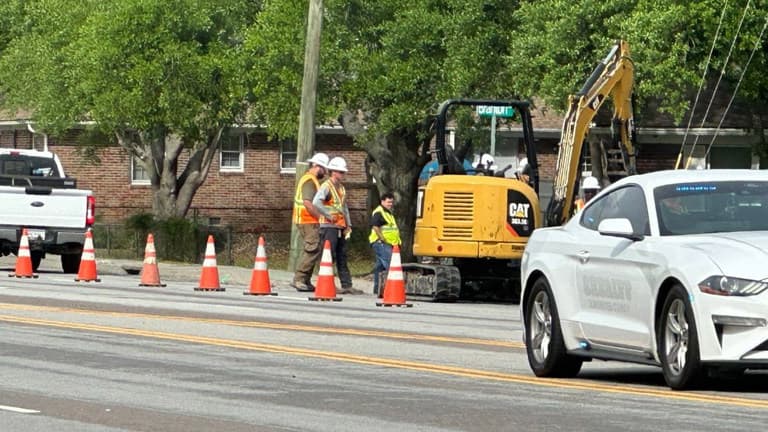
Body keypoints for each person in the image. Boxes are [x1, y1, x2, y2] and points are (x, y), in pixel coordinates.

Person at [313, 156, 362, 294]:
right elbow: (316, 202)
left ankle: (347, 285)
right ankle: (327, 283)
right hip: (328, 227)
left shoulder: (341, 188)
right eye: (340, 172)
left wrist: (348, 224)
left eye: (343, 172)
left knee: (342, 255)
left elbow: (343, 207)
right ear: (333, 171)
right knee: (329, 255)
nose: (342, 174)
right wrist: (329, 215)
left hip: (340, 226)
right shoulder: (326, 186)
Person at [291, 152, 329, 292]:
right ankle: (299, 279)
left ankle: (305, 280)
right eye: (324, 169)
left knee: (315, 249)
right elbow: (308, 203)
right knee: (312, 249)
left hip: (308, 220)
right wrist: (320, 217)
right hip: (307, 220)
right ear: (316, 166)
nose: (325, 173)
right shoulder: (309, 180)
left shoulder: (312, 180)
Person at [369, 192, 401, 297]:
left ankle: (377, 289)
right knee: (390, 265)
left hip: (388, 243)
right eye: (388, 202)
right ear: (382, 201)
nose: (390, 204)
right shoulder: (379, 212)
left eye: (391, 202)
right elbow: (375, 226)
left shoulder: (388, 213)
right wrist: (382, 238)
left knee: (380, 267)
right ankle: (392, 288)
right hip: (381, 243)